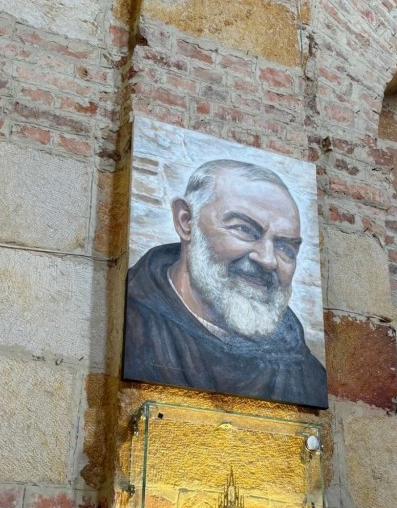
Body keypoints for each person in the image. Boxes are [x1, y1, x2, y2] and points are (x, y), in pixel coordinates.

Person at [123, 158, 328, 408]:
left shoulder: (305, 373)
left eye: (285, 247)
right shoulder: (130, 324)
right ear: (186, 221)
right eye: (244, 229)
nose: (267, 260)